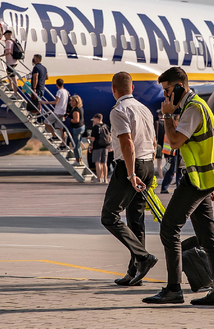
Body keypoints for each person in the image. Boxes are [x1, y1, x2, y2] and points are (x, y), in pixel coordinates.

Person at [143, 66, 214, 306]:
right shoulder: (194, 106)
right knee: (207, 236)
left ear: (179, 86)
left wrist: (167, 116)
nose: (165, 96)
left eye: (168, 90)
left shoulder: (193, 109)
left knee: (169, 228)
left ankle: (173, 289)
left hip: (195, 180)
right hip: (202, 179)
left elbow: (174, 141)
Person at [101, 72, 157, 287]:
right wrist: (146, 171)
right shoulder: (145, 109)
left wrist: (132, 174)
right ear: (132, 88)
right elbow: (152, 141)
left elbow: (127, 144)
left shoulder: (119, 110)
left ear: (113, 89)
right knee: (136, 219)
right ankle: (135, 272)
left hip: (130, 166)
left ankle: (143, 257)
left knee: (110, 216)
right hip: (148, 164)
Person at [42, 78, 69, 145]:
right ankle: (63, 143)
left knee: (46, 122)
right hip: (63, 112)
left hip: (57, 112)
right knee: (61, 128)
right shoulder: (66, 92)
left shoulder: (59, 91)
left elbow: (56, 102)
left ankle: (54, 136)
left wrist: (45, 102)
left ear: (57, 85)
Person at [160, 114, 182, 194]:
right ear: (174, 121)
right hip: (172, 152)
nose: (179, 122)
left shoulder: (178, 129)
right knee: (172, 170)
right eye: (178, 120)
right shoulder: (172, 130)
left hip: (178, 152)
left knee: (179, 170)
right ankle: (164, 187)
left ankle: (178, 188)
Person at [88, 113, 110, 183]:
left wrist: (91, 145)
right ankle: (105, 179)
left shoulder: (95, 127)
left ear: (97, 119)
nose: (93, 121)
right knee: (104, 163)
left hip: (97, 146)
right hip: (105, 146)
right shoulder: (106, 126)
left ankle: (99, 178)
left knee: (98, 163)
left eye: (94, 120)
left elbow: (93, 138)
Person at [68, 95, 86, 166]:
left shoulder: (76, 110)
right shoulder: (80, 108)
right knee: (78, 144)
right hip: (81, 127)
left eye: (73, 101)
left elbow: (76, 120)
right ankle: (79, 160)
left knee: (76, 145)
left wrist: (68, 119)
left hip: (77, 128)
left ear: (77, 102)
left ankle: (78, 160)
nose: (71, 102)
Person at [154, 110, 165, 179]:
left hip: (159, 145)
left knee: (159, 162)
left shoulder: (156, 123)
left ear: (158, 115)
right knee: (168, 161)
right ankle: (172, 175)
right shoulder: (168, 123)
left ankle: (161, 177)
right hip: (167, 145)